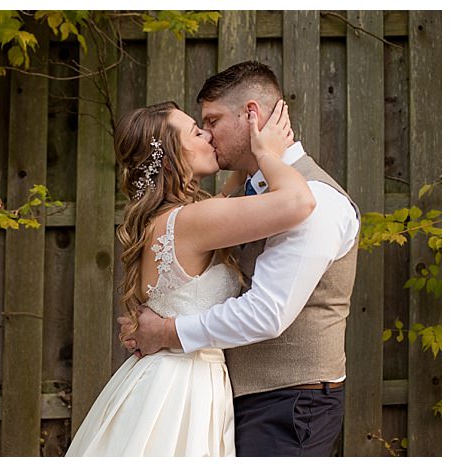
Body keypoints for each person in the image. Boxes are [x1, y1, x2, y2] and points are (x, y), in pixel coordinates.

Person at [120, 61, 361, 456]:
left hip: (290, 406)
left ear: (251, 114)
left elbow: (267, 312)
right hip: (215, 397)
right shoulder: (232, 204)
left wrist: (164, 331)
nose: (208, 134)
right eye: (197, 128)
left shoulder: (319, 200)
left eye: (211, 121)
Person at [65, 97, 315, 456]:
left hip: (164, 378)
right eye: (197, 132)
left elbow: (231, 193)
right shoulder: (192, 222)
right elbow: (298, 202)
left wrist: (245, 145)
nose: (209, 136)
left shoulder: (171, 219)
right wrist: (268, 153)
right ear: (169, 160)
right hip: (182, 391)